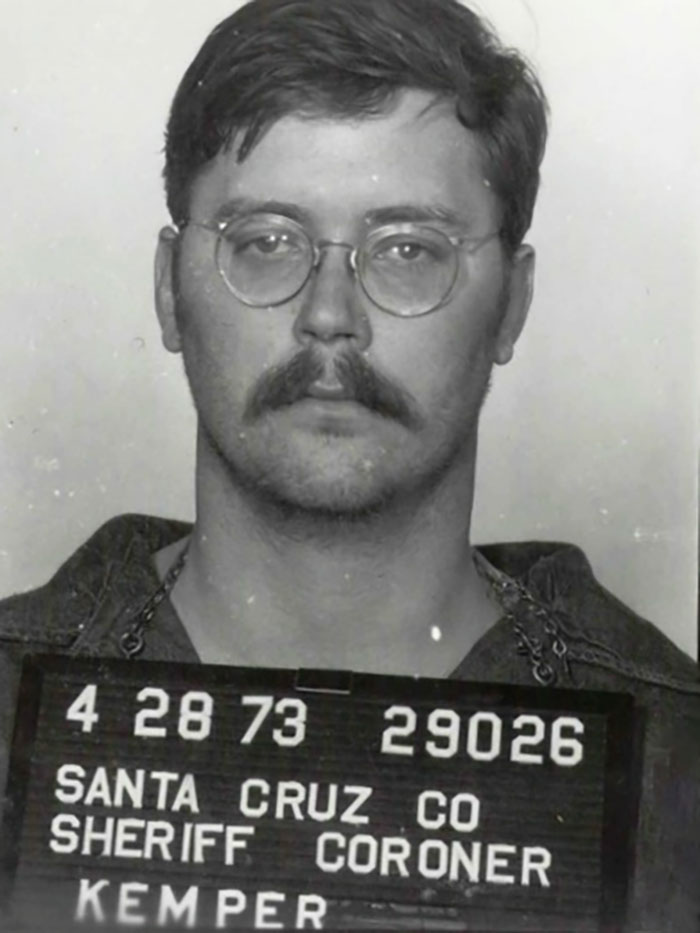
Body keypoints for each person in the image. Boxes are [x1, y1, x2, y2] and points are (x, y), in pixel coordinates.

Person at [0, 0, 698, 929]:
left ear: (512, 308)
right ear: (168, 292)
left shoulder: (675, 759)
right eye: (266, 242)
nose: (330, 315)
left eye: (408, 250)